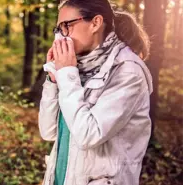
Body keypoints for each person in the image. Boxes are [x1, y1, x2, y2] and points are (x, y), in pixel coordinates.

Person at [38, 0, 153, 185]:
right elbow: (48, 131)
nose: (61, 36)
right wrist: (53, 78)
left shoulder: (128, 71)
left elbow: (88, 135)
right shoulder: (77, 67)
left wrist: (67, 74)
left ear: (95, 23)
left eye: (66, 26)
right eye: (58, 29)